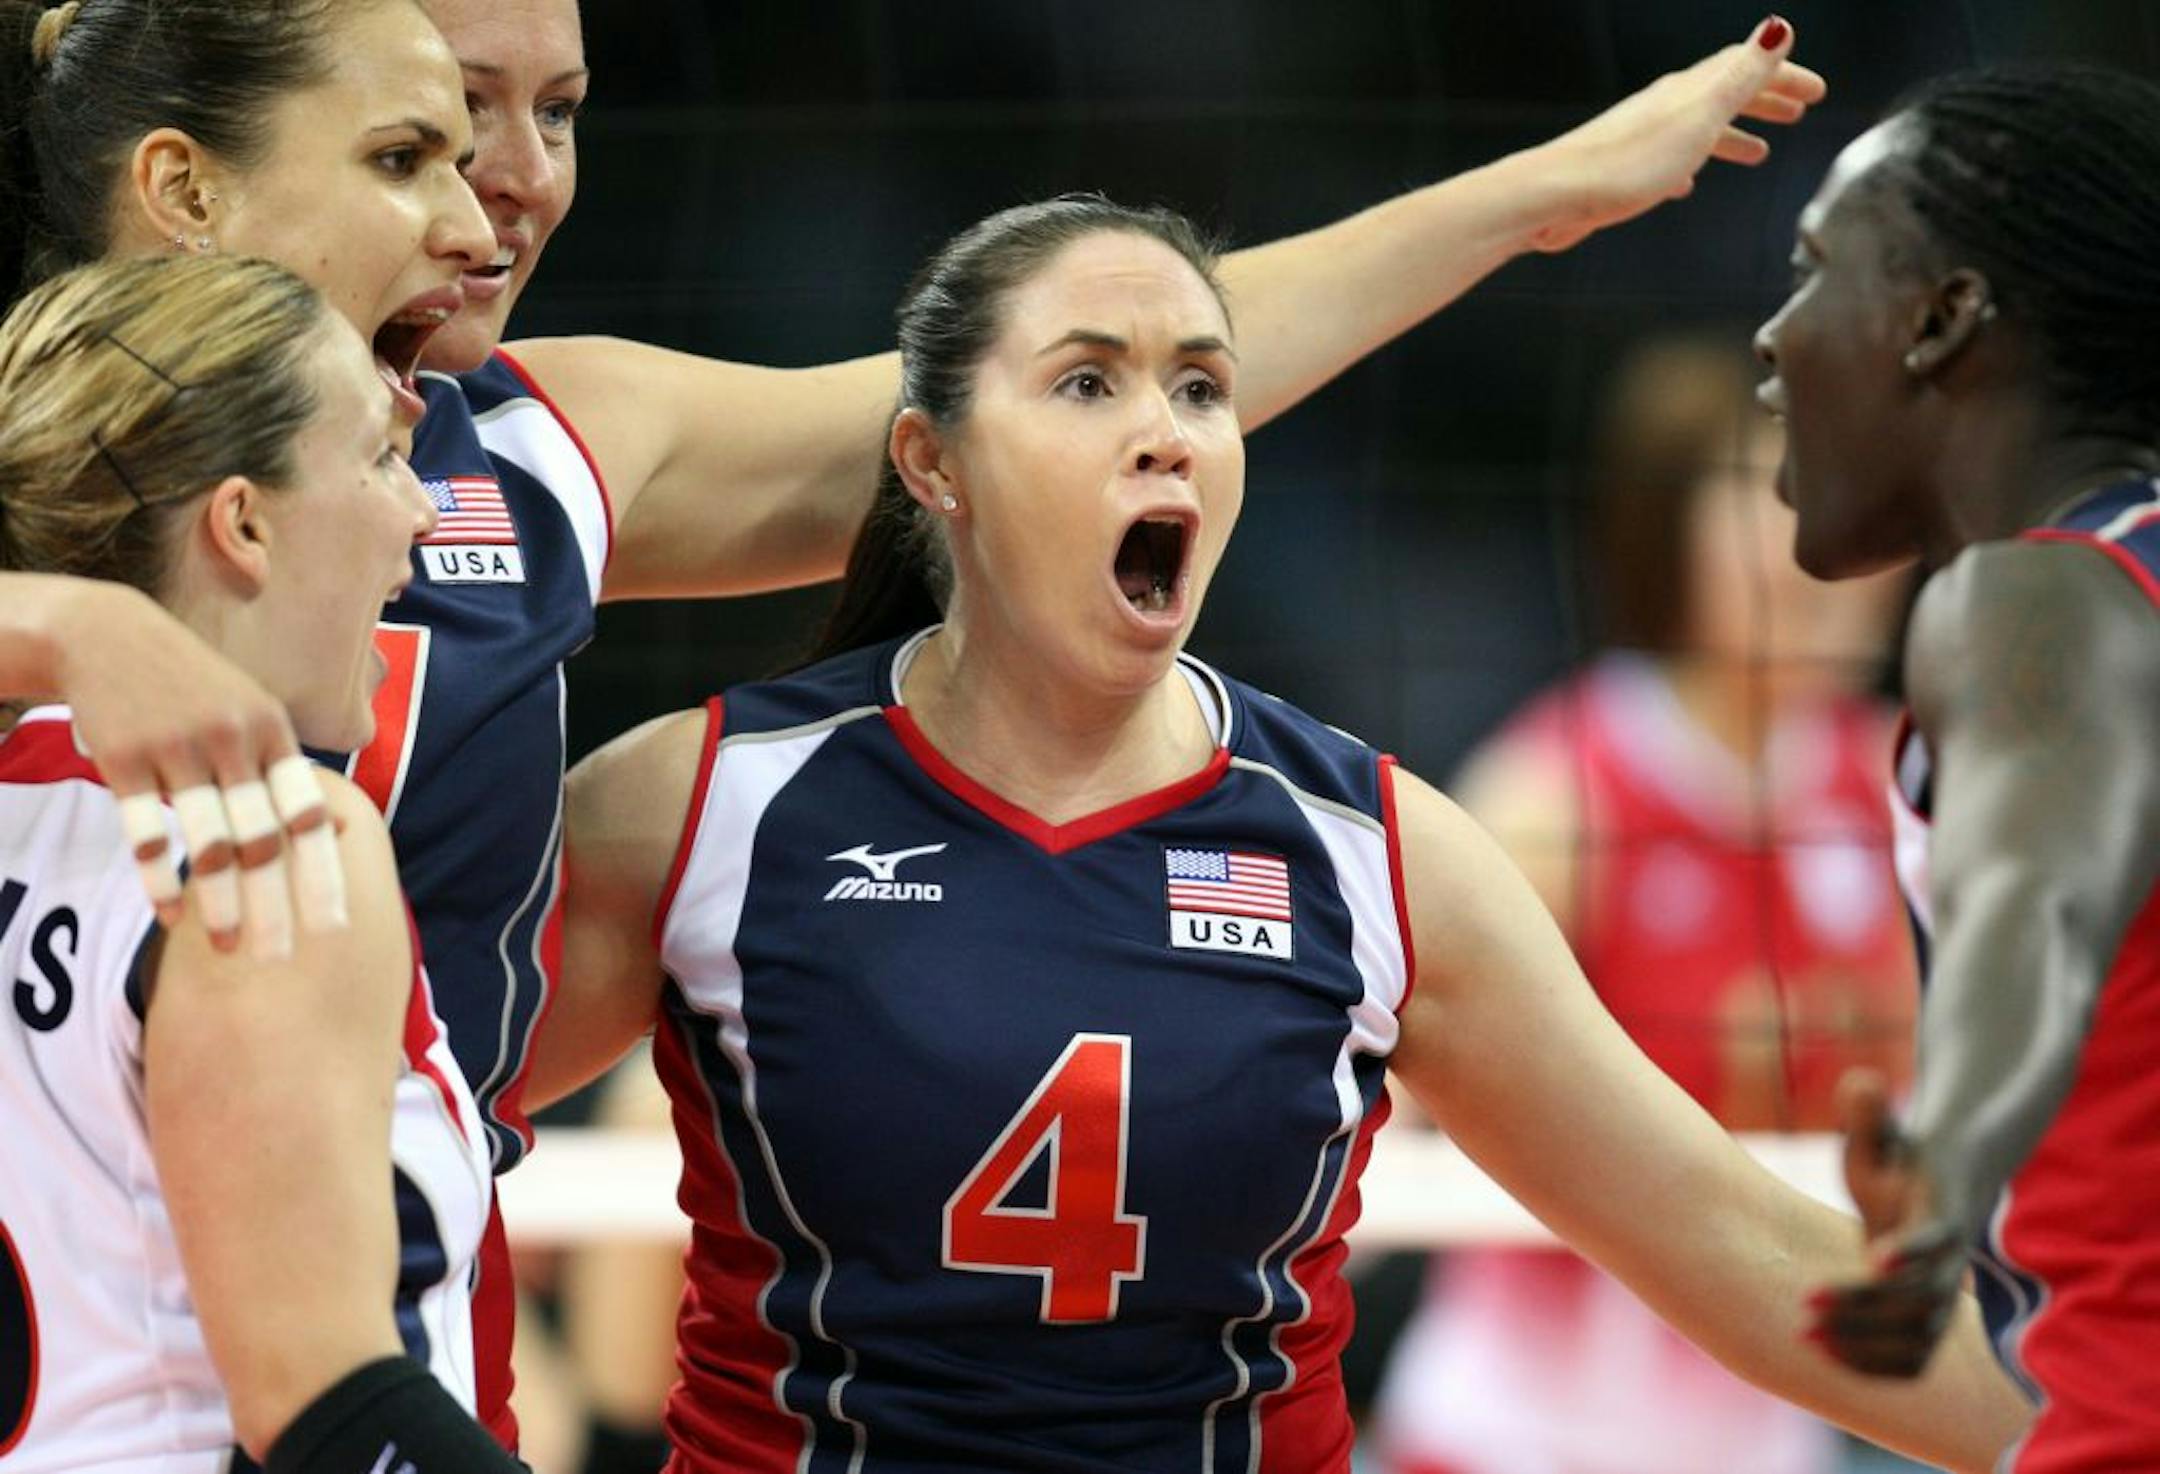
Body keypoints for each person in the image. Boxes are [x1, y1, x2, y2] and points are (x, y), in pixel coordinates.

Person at [0, 2, 1830, 1441]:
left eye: (557, 114)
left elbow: (1062, 383)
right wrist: (78, 619)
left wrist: (1540, 197)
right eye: (433, 129)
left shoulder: (535, 454)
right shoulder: (55, 459)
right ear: (192, 184)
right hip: (171, 1323)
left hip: (376, 1320)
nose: (505, 186)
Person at [544, 194, 2031, 1473]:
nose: (1165, 436)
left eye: (1201, 388)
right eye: (1086, 384)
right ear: (932, 463)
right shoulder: (704, 805)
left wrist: (2103, 1419)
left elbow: (1749, 1250)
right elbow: (379, 1103)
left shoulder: (1373, 852)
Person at [0, 254, 522, 1472]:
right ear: (243, 522)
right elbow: (321, 1401)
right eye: (383, 460)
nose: (425, 514)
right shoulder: (264, 833)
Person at [1369, 336, 1916, 1474]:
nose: (1817, 549)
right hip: (1512, 1441)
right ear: (1673, 536)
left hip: (1767, 1441)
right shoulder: (1557, 792)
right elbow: (1372, 1135)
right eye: (1770, 502)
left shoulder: (1901, 791)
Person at [1754, 63, 2160, 1471]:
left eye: (1813, 270)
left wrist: (1945, 1164)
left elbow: (2032, 904)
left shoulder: (2031, 601)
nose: (1772, 336)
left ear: (1940, 317)